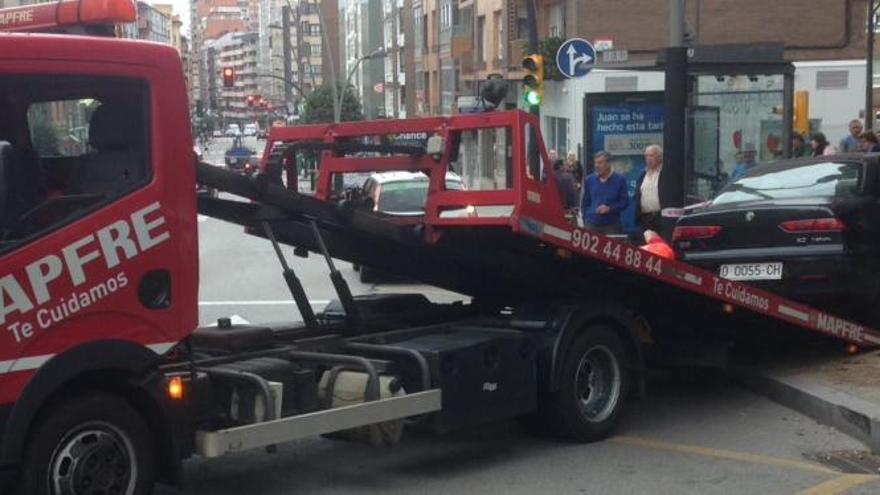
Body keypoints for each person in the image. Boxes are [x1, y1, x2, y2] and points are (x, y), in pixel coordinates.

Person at [581, 151, 628, 234]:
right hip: (591, 224)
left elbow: (624, 202)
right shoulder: (589, 180)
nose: (596, 166)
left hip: (611, 225)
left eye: (600, 163)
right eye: (595, 163)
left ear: (608, 164)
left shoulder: (620, 180)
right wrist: (586, 218)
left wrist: (609, 209)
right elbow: (585, 202)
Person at [634, 144, 663, 234]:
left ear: (660, 157)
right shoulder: (642, 175)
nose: (648, 158)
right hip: (645, 219)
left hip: (661, 218)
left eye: (651, 155)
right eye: (646, 156)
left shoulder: (665, 174)